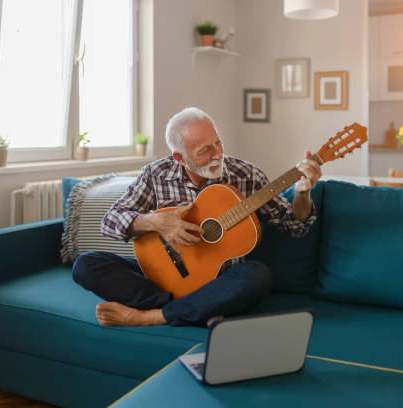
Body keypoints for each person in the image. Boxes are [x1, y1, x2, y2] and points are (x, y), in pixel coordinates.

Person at [72, 107, 322, 327]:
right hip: (161, 276)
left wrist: (302, 194)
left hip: (219, 284)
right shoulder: (156, 174)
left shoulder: (246, 175)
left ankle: (151, 316)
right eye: (205, 150)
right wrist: (154, 222)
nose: (218, 154)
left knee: (257, 275)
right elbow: (110, 221)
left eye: (218, 142)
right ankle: (192, 310)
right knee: (86, 265)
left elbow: (294, 227)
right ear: (180, 158)